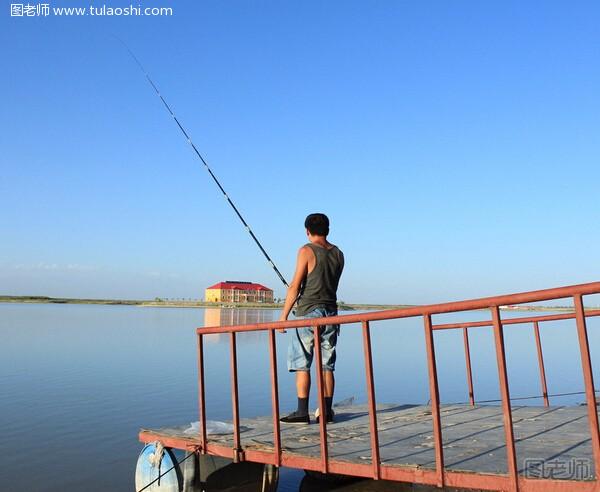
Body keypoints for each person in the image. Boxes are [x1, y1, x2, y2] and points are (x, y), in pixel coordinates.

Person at [278, 213, 344, 424]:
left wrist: (283, 317)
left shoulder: (306, 251)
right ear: (328, 230)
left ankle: (301, 412)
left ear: (307, 231)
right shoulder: (339, 254)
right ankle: (326, 412)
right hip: (331, 314)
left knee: (302, 363)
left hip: (308, 312)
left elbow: (295, 286)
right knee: (327, 365)